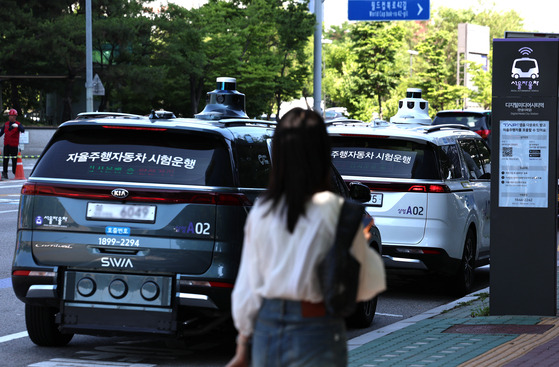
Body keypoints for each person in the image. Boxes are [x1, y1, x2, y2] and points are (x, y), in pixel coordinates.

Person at [226, 108, 386, 367]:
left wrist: (244, 343)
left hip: (268, 327)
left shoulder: (263, 210)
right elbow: (365, 283)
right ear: (323, 155)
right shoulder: (341, 212)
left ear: (278, 155)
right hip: (319, 328)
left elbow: (249, 284)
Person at [0, 109, 25, 179]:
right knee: (5, 160)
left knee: (14, 161)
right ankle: (5, 173)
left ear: (15, 117)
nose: (10, 117)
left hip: (14, 146)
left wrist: (17, 126)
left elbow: (23, 130)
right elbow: (1, 133)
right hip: (6, 145)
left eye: (12, 116)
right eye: (10, 116)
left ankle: (15, 173)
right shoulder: (6, 124)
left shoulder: (18, 124)